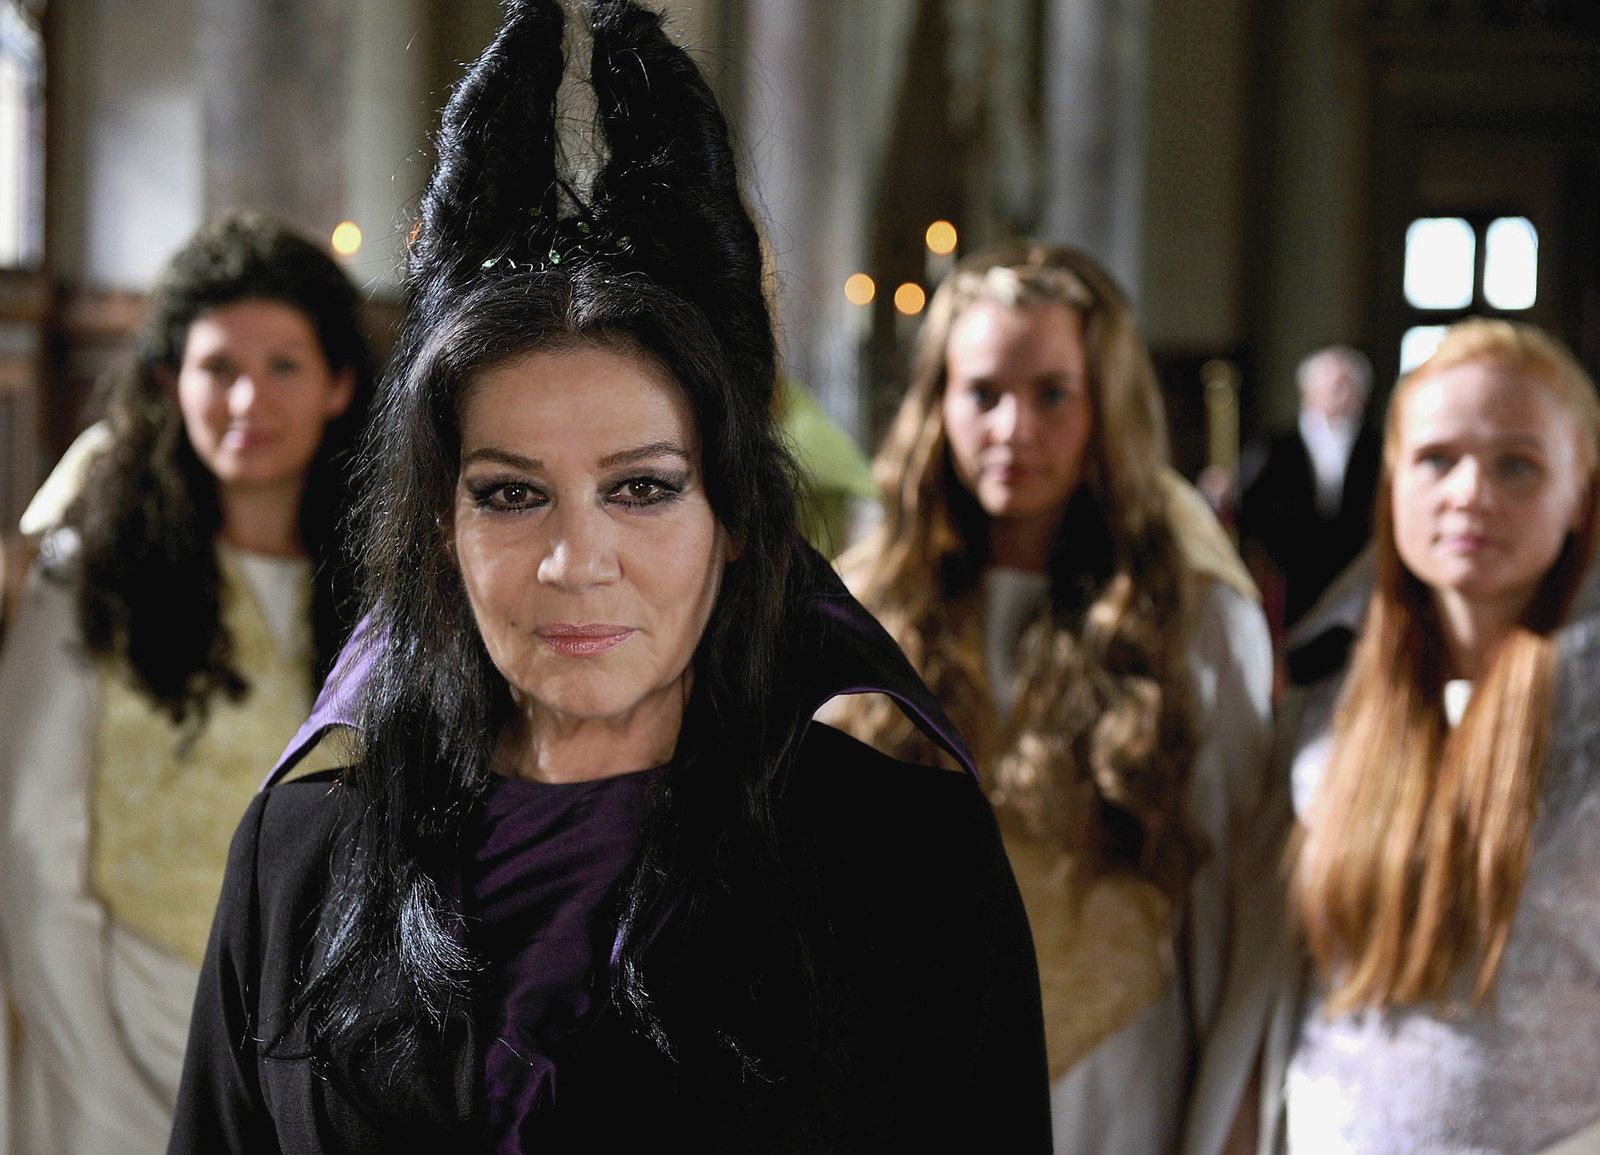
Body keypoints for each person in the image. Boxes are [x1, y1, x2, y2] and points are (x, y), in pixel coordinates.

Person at [167, 3, 1050, 1150]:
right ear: (441, 525)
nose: (575, 562)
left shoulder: (911, 864)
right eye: (509, 493)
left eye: (641, 488)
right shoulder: (298, 862)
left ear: (736, 521)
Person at [832, 241, 1273, 1154]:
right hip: (910, 1066)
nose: (1013, 428)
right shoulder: (869, 600)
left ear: (1104, 403)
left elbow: (1236, 905)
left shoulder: (1190, 617)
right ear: (939, 402)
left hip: (1115, 1075)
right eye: (983, 392)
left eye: (1052, 394)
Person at [0, 212, 374, 1154]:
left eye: (283, 365)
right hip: (107, 1039)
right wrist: (94, 1067)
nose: (248, 398)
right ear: (172, 381)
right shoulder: (91, 576)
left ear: (337, 384)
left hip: (317, 1055)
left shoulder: (388, 595)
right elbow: (35, 844)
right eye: (218, 367)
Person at [1184, 317, 1600, 1155]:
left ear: (1581, 496)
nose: (1470, 492)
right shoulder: (1324, 714)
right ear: (1392, 482)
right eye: (1437, 459)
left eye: (1516, 464)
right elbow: (1266, 994)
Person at [1238, 344, 1381, 633]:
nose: (1341, 392)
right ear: (1307, 391)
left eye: (1348, 384)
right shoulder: (1274, 447)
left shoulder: (1380, 448)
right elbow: (1249, 508)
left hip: (1356, 579)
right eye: (1333, 384)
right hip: (1288, 578)